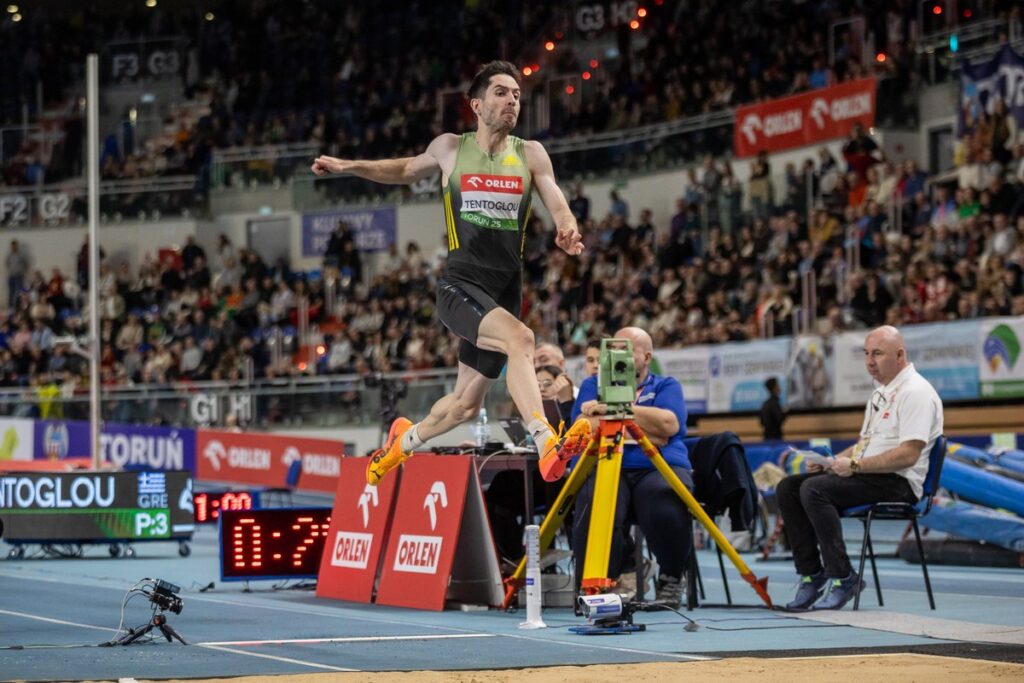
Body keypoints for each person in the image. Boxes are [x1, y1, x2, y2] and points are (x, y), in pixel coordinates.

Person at [311, 61, 591, 486]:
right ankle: (545, 441)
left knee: (462, 406)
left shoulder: (530, 152)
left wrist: (567, 224)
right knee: (522, 339)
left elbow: (554, 196)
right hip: (461, 283)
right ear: (476, 104)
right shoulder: (450, 149)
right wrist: (349, 166)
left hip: (505, 288)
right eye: (501, 92)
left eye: (516, 94)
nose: (512, 100)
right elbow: (403, 170)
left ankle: (400, 445)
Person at [776, 325, 943, 611]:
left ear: (900, 355)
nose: (869, 361)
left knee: (814, 490)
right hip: (870, 475)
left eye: (877, 354)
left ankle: (843, 577)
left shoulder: (916, 392)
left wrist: (854, 466)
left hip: (898, 483)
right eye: (866, 354)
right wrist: (831, 461)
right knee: (788, 487)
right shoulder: (881, 394)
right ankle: (812, 574)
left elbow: (909, 454)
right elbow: (865, 444)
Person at [567, 327, 692, 607]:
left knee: (663, 498)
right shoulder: (591, 385)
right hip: (608, 462)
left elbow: (669, 426)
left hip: (657, 467)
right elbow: (584, 428)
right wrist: (645, 428)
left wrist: (612, 409)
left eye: (627, 349)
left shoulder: (666, 385)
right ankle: (597, 584)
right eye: (613, 348)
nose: (617, 356)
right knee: (592, 499)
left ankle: (671, 577)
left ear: (647, 356)